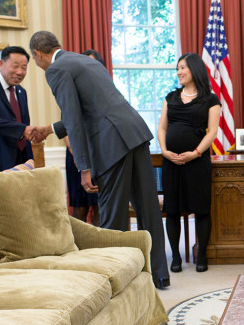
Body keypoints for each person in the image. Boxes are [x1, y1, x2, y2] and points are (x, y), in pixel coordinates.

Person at [28, 31, 170, 290]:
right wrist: (49, 128)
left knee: (112, 216)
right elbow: (93, 109)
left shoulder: (56, 69)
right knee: (148, 208)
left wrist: (84, 167)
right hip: (134, 133)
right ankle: (160, 274)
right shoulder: (87, 61)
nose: (37, 65)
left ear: (38, 54)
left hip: (111, 143)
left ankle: (112, 279)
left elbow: (73, 117)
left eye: (34, 61)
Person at [157, 53, 220, 273]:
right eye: (177, 69)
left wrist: (195, 153)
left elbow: (212, 131)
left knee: (201, 209)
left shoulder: (210, 99)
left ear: (194, 69)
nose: (179, 72)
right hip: (171, 162)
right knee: (172, 210)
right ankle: (175, 257)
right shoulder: (171, 97)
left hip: (197, 162)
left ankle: (201, 256)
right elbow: (162, 128)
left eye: (183, 68)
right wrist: (165, 151)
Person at [0, 46, 45, 174]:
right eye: (15, 66)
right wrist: (22, 130)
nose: (20, 72)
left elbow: (23, 124)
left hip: (22, 162)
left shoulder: (21, 92)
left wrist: (31, 136)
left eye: (24, 68)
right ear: (1, 63)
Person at [62, 49, 104, 226]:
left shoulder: (105, 92)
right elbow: (65, 127)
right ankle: (80, 252)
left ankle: (101, 249)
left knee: (99, 206)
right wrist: (79, 157)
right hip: (76, 158)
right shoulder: (70, 91)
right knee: (80, 208)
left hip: (100, 157)